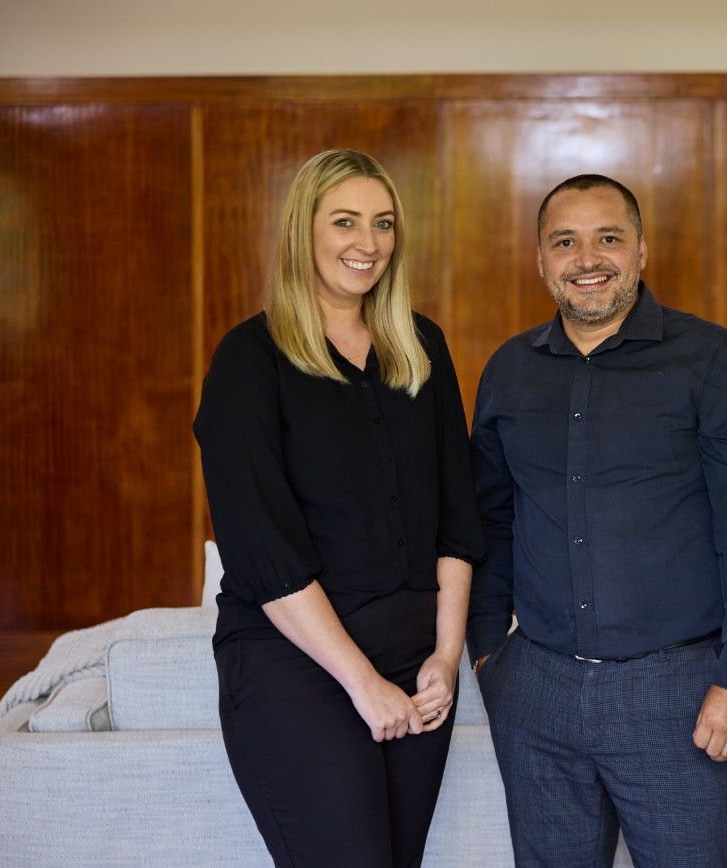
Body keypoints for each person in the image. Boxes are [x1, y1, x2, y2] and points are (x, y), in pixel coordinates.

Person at [468, 174, 727, 867]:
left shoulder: (713, 362)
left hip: (677, 690)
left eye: (608, 237)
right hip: (538, 687)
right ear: (541, 259)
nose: (588, 259)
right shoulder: (509, 372)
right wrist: (492, 657)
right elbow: (488, 522)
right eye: (566, 242)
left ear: (641, 249)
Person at [193, 148, 483, 867]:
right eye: (346, 221)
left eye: (383, 223)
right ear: (302, 231)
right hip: (298, 662)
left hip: (417, 660)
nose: (369, 243)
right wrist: (361, 681)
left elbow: (458, 515)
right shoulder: (249, 360)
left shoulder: (422, 347)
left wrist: (446, 658)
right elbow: (261, 552)